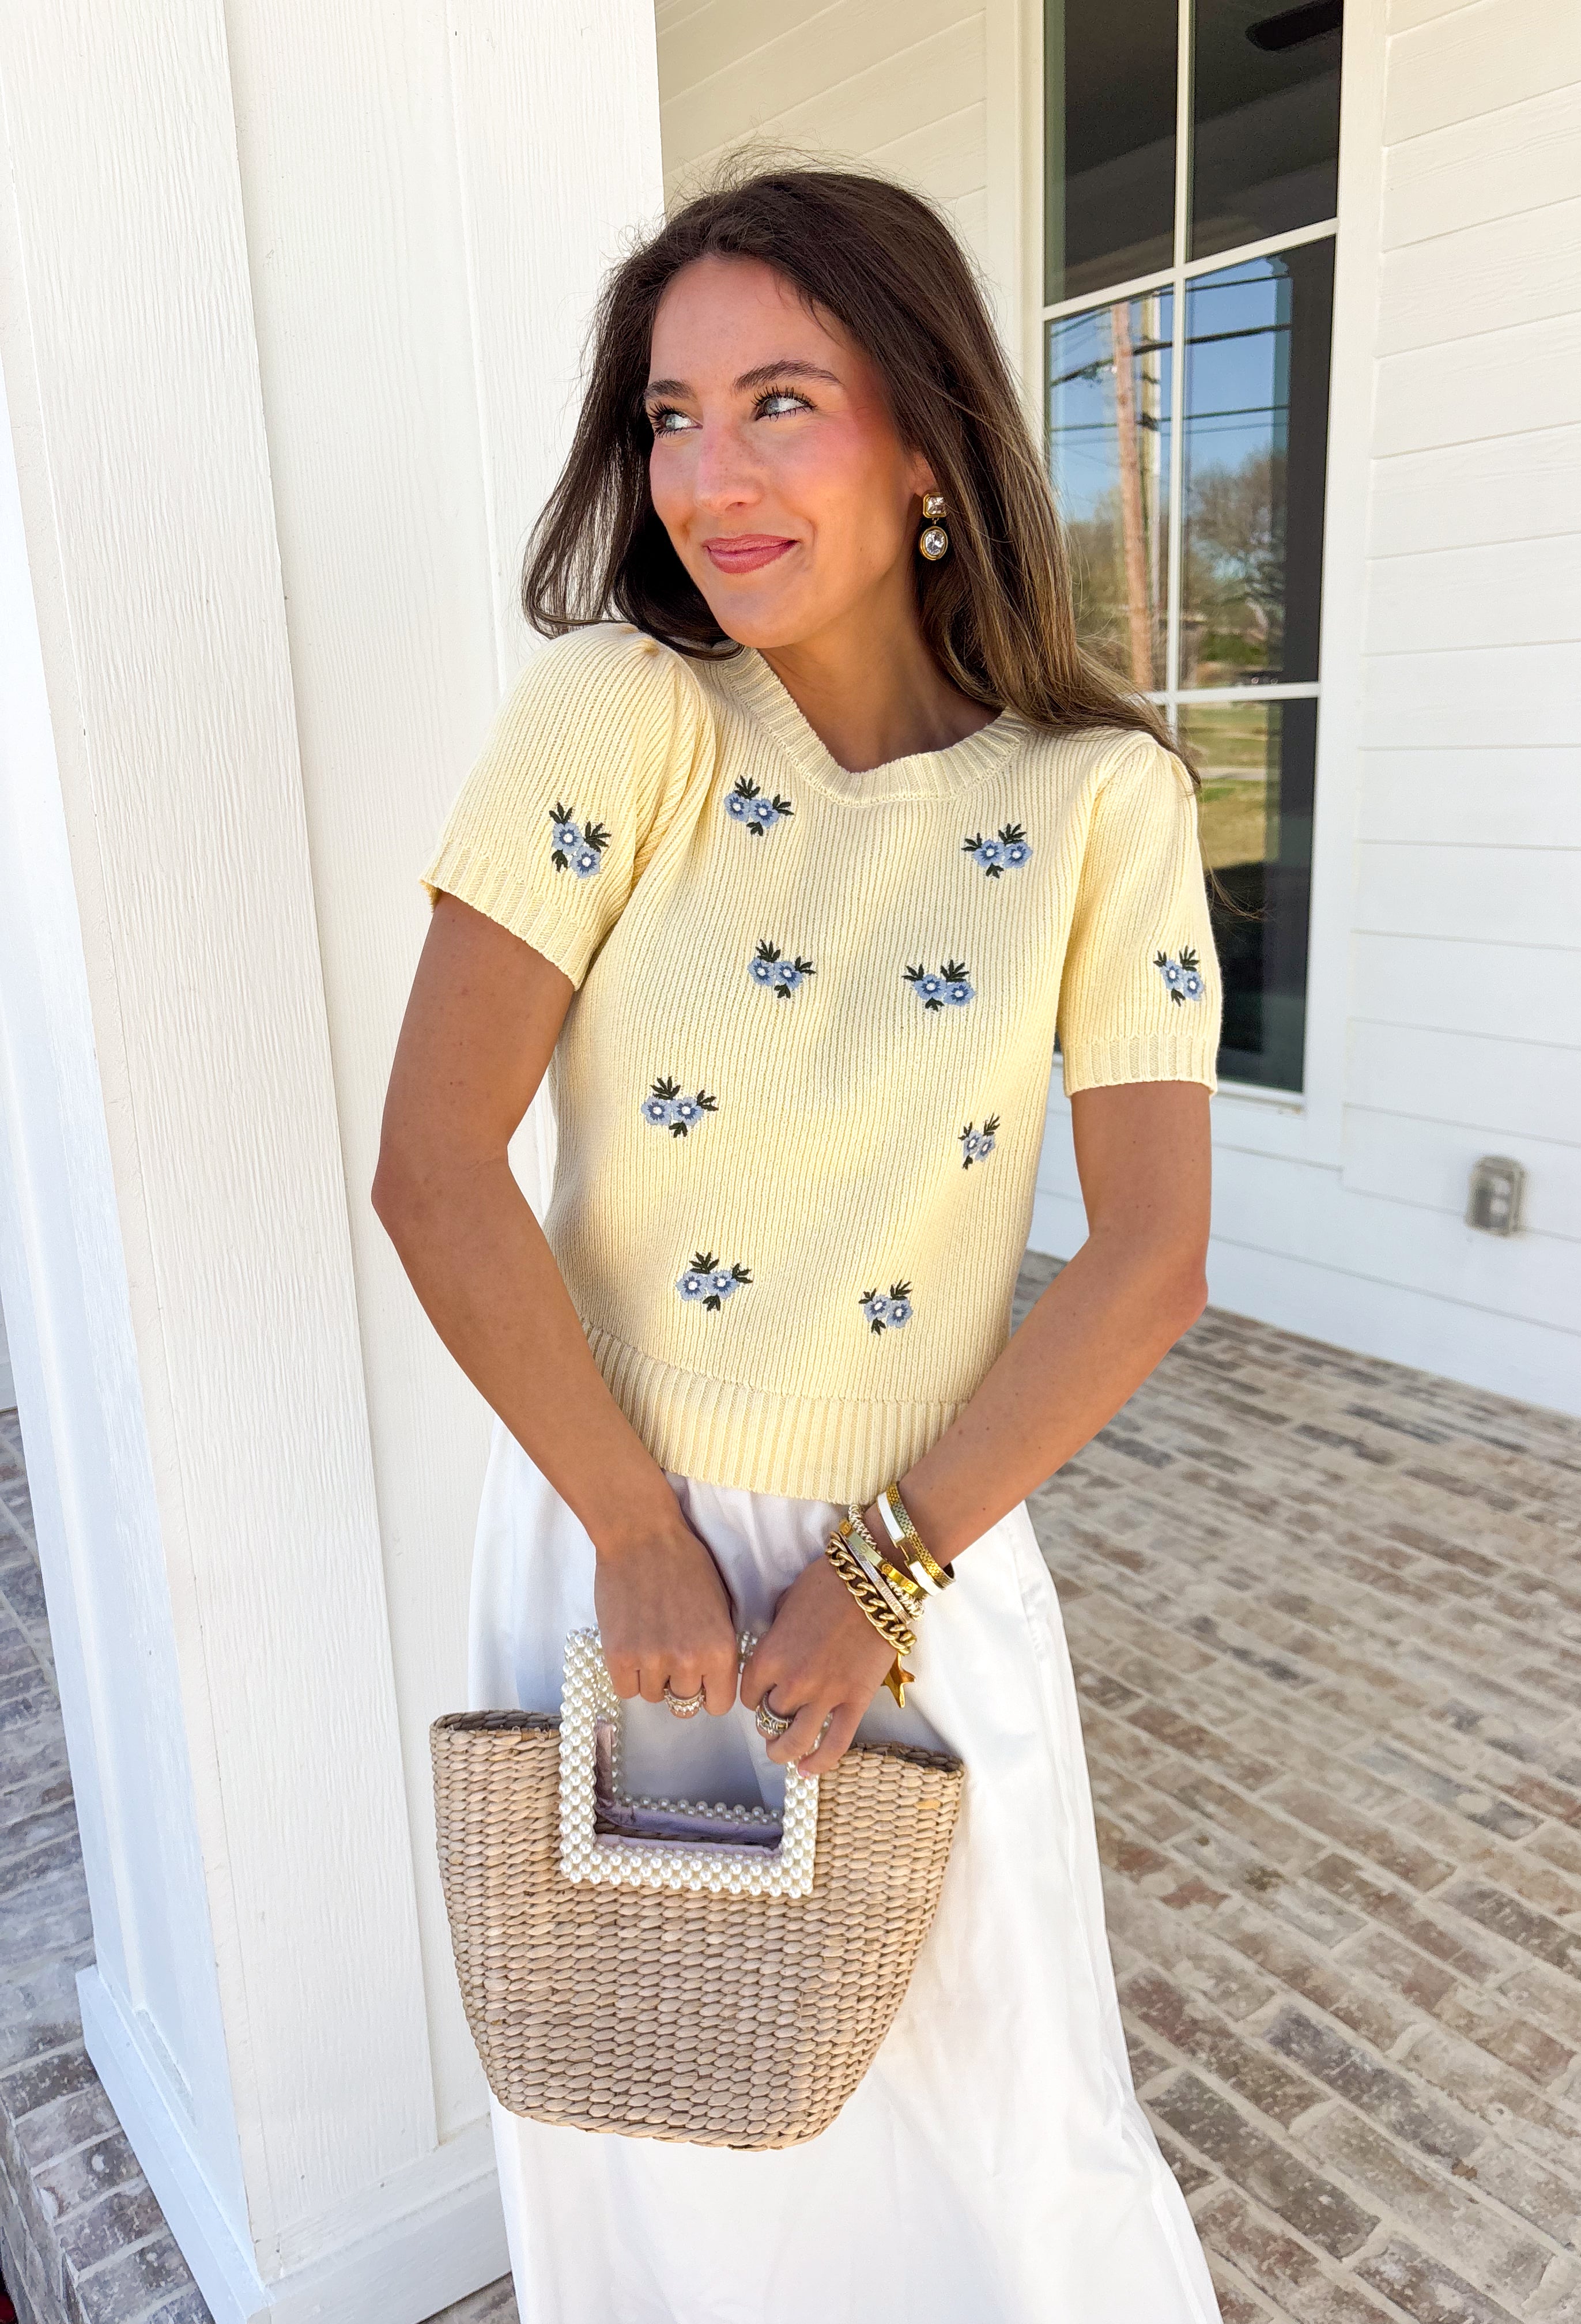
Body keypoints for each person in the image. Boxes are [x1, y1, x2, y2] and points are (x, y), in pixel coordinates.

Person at [375, 164, 1224, 2324]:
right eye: (670, 418)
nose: (707, 479)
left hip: (923, 1555)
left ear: (927, 438)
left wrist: (880, 1576)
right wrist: (633, 1531)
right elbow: (434, 1167)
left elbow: (1151, 1257)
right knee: (651, 2136)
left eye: (780, 404)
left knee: (1005, 2132)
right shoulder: (619, 714)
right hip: (613, 1542)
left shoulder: (1098, 802)